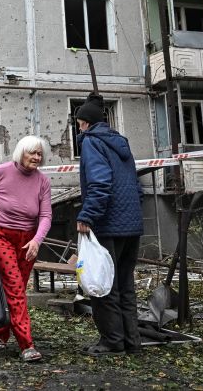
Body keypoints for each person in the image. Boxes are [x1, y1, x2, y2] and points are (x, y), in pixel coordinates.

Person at [75, 92, 144, 356]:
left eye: (80, 123)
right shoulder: (120, 143)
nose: (79, 127)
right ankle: (132, 342)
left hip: (108, 224)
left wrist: (87, 214)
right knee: (126, 286)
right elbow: (137, 188)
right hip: (131, 225)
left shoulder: (92, 142)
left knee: (103, 285)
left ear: (86, 123)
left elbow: (100, 182)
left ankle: (112, 342)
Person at [0, 135, 52, 363]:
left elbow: (46, 215)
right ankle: (27, 345)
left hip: (28, 241)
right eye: (33, 153)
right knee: (16, 288)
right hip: (1, 236)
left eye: (40, 154)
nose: (37, 157)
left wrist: (37, 240)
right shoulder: (1, 171)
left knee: (15, 289)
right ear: (21, 153)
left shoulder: (43, 181)